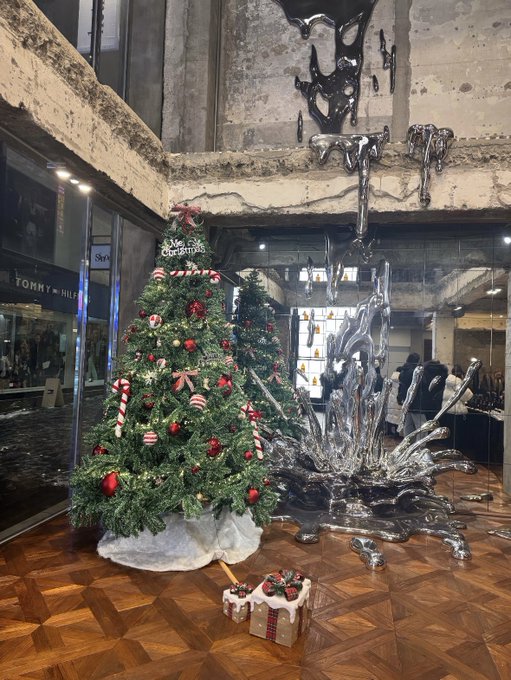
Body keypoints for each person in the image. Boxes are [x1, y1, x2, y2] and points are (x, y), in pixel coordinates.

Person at [404, 359, 448, 440]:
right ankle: (420, 445)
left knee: (409, 426)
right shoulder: (440, 375)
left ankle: (408, 444)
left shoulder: (420, 372)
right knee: (422, 426)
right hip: (422, 404)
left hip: (411, 402)